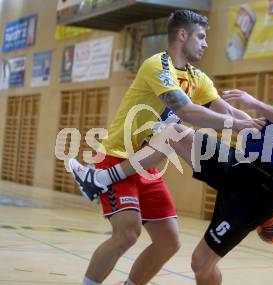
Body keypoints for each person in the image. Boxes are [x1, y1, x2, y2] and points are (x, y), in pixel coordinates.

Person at [70, 26, 273, 284]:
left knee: (200, 262)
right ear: (182, 35)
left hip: (256, 188)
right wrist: (246, 121)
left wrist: (253, 106)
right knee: (174, 132)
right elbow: (233, 118)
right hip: (244, 169)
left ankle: (102, 179)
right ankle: (103, 178)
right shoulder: (160, 66)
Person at [72, 10, 261, 285]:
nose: (206, 43)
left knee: (168, 242)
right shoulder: (157, 65)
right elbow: (185, 110)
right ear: (182, 35)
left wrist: (266, 128)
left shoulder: (198, 77)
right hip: (117, 156)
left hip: (147, 166)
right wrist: (239, 125)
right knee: (127, 233)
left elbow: (227, 110)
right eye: (201, 36)